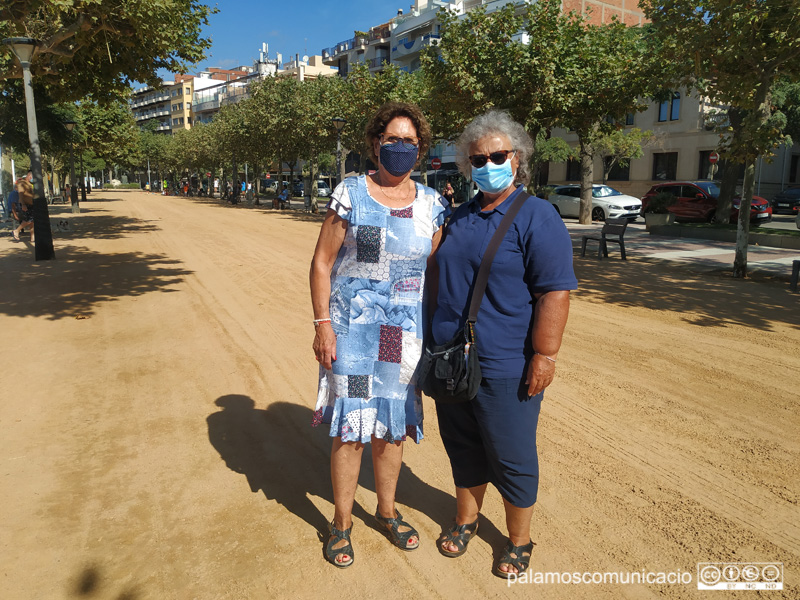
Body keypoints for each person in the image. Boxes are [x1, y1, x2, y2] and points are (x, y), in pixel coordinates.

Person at [429, 110, 577, 578]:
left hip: (505, 362)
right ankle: (466, 520)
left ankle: (518, 540)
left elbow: (554, 290)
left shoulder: (537, 215)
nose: (488, 163)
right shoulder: (459, 216)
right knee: (462, 445)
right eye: (478, 158)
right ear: (467, 166)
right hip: (451, 358)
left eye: (498, 155)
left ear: (517, 158)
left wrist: (545, 356)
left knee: (510, 453)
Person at [310, 102, 449, 568]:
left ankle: (386, 512)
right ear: (375, 143)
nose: (400, 148)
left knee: (390, 428)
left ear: (421, 149)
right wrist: (322, 325)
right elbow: (322, 263)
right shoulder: (352, 192)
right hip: (352, 333)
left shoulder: (432, 205)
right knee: (352, 428)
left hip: (401, 337)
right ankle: (342, 523)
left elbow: (438, 272)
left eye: (409, 142)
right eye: (392, 140)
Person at [12, 172, 35, 242]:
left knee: (33, 221)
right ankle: (16, 231)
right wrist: (23, 205)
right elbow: (21, 195)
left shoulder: (30, 184)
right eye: (32, 177)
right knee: (29, 220)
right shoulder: (22, 183)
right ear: (29, 176)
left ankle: (32, 237)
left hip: (31, 204)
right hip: (25, 204)